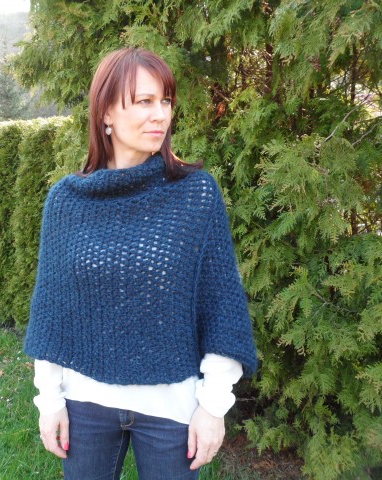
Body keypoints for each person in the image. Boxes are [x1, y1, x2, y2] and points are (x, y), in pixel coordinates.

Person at [24, 48, 257, 480]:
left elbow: (221, 307)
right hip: (85, 406)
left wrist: (213, 407)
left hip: (172, 411)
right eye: (144, 101)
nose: (160, 115)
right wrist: (49, 401)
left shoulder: (195, 195)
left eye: (165, 101)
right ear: (106, 113)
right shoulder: (67, 202)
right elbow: (52, 313)